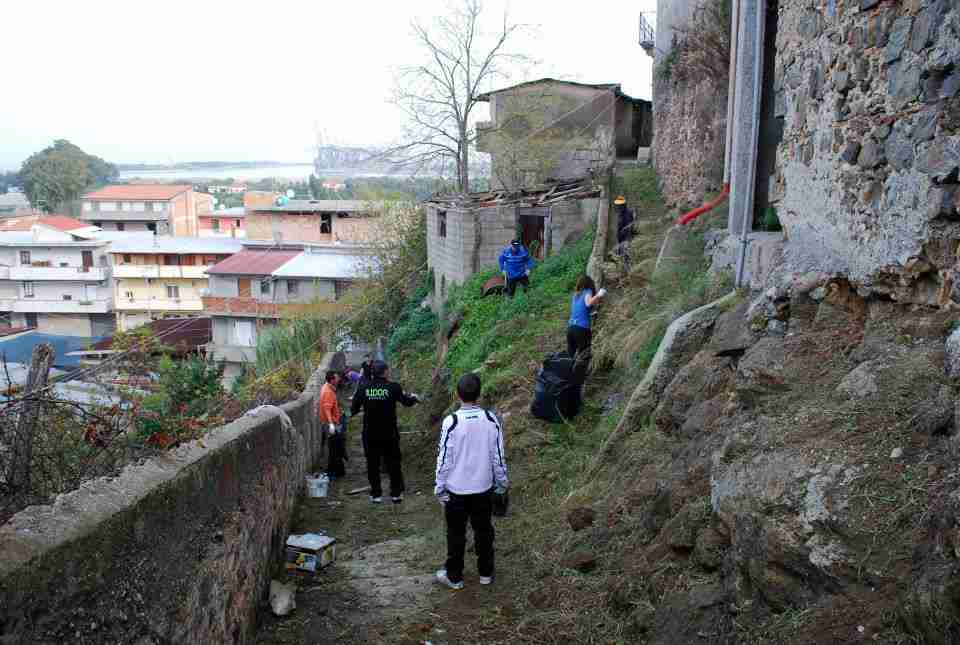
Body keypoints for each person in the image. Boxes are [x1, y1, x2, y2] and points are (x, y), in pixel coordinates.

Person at [434, 372, 509, 590]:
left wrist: (439, 487)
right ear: (479, 394)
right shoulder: (490, 419)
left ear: (457, 394)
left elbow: (444, 458)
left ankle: (454, 577)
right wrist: (502, 483)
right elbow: (498, 456)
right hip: (483, 489)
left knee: (456, 534)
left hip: (456, 491)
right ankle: (486, 573)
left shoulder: (452, 421)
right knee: (484, 531)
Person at [350, 360, 420, 504]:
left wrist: (364, 406)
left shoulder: (363, 388)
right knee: (393, 463)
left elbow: (354, 409)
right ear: (386, 372)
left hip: (370, 434)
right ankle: (396, 494)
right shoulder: (393, 387)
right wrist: (414, 398)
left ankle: (376, 494)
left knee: (372, 464)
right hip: (390, 434)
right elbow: (406, 402)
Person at [566, 275, 606, 359]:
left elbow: (581, 308)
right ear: (590, 284)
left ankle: (568, 370)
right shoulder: (588, 291)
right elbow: (588, 303)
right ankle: (582, 371)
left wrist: (592, 312)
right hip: (581, 329)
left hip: (570, 328)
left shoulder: (576, 295)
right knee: (585, 355)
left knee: (570, 355)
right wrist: (599, 294)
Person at [319, 370, 346, 479]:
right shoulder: (328, 392)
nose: (339, 379)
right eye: (337, 378)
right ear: (332, 380)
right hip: (332, 424)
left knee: (336, 448)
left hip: (332, 421)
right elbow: (326, 409)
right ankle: (333, 472)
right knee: (334, 449)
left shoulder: (327, 387)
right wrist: (331, 424)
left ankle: (338, 471)